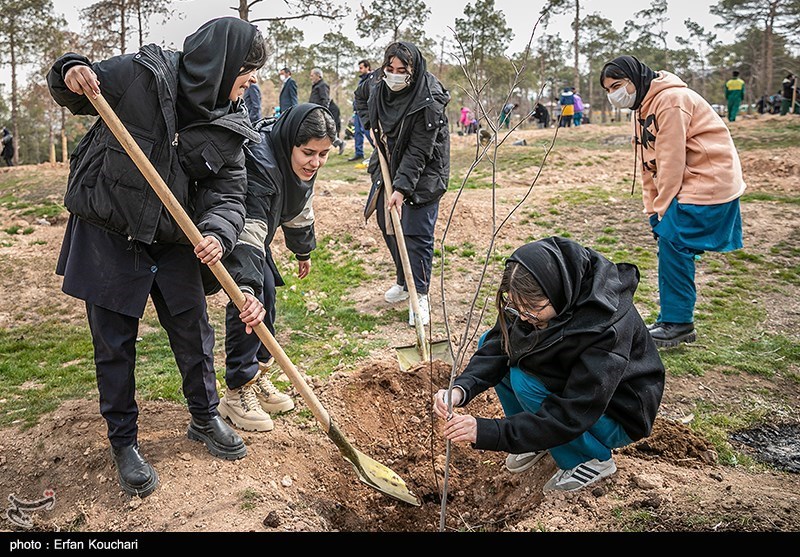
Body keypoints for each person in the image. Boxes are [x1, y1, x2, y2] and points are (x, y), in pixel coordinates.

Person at [46, 17, 268, 498]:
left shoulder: (231, 123)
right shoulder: (141, 75)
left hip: (174, 238)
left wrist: (216, 233)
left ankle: (205, 418)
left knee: (194, 332)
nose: (247, 86)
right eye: (246, 75)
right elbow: (72, 86)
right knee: (114, 343)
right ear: (220, 65)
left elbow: (230, 194)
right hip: (110, 228)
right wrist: (71, 70)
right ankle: (123, 442)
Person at [432, 237, 665, 493]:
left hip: (616, 413)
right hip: (578, 390)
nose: (523, 317)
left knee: (526, 380)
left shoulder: (606, 327)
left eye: (532, 310)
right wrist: (460, 389)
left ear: (557, 290)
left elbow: (574, 411)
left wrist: (487, 431)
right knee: (491, 341)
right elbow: (499, 342)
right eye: (515, 307)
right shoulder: (549, 300)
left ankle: (590, 460)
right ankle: (536, 441)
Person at [204, 104, 335, 432]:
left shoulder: (302, 167)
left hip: (256, 238)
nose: (315, 162)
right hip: (227, 233)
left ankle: (257, 374)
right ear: (290, 141)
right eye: (308, 152)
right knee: (251, 303)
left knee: (269, 301)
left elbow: (299, 208)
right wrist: (244, 287)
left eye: (323, 154)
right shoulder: (261, 162)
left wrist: (302, 251)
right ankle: (237, 390)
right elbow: (249, 227)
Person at [600, 55, 745, 348]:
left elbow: (671, 161)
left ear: (635, 78)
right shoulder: (641, 108)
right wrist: (652, 210)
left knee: (674, 245)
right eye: (607, 90)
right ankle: (674, 318)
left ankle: (678, 324)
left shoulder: (671, 101)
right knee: (672, 244)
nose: (613, 94)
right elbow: (647, 165)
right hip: (687, 183)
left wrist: (665, 210)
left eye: (617, 85)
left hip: (708, 180)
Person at [355, 41, 450, 327]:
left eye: (402, 70)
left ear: (414, 70)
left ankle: (419, 294)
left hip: (425, 170)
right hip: (388, 159)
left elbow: (419, 150)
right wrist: (370, 125)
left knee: (416, 232)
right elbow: (360, 98)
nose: (395, 75)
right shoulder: (375, 82)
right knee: (388, 224)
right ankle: (403, 279)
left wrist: (402, 188)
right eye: (390, 68)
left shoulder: (429, 99)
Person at [309, 67, 344, 155]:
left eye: (312, 75)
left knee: (326, 131)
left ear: (319, 76)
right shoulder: (316, 86)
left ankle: (339, 143)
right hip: (317, 111)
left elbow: (325, 100)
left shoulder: (322, 85)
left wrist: (322, 112)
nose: (311, 77)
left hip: (325, 111)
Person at [349, 59, 376, 162]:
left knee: (368, 132)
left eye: (361, 68)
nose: (359, 70)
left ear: (367, 67)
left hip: (366, 111)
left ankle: (378, 150)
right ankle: (358, 153)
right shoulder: (361, 80)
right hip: (357, 111)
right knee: (357, 133)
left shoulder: (371, 79)